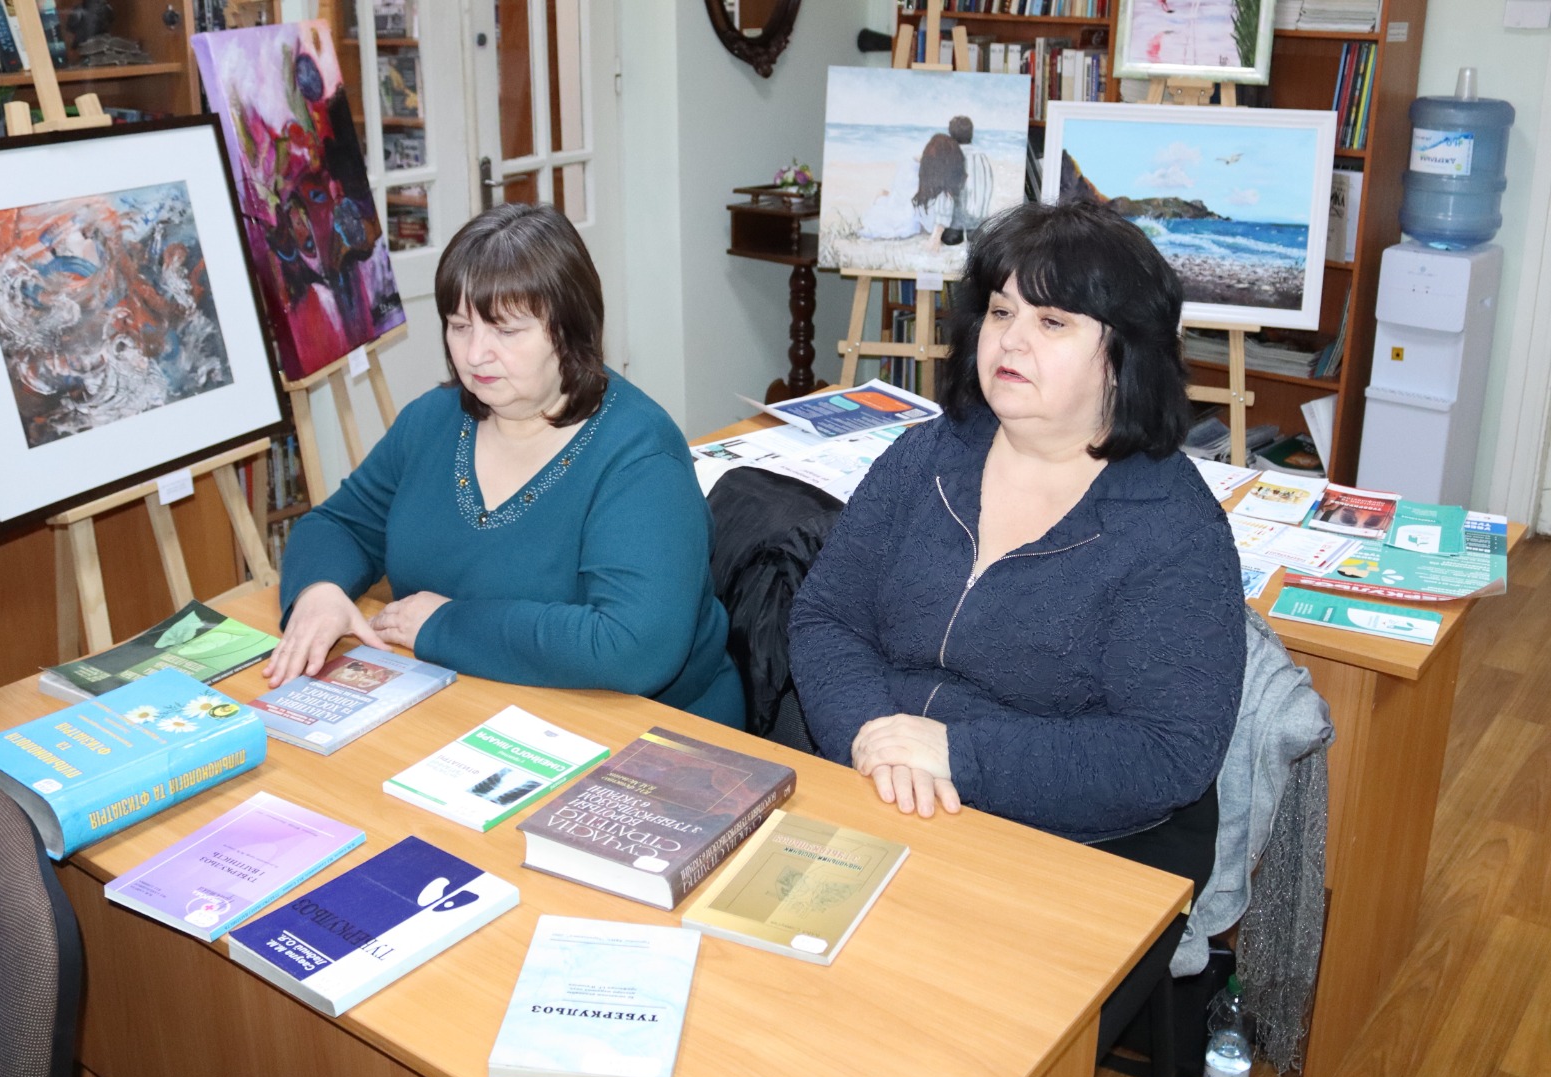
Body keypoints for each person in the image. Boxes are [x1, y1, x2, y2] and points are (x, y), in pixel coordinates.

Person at [788, 198, 1245, 893]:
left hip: (1066, 847)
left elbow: (1164, 752)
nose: (1011, 341)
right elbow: (827, 617)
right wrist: (874, 734)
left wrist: (955, 752)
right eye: (1002, 313)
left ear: (1122, 355)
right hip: (874, 784)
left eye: (1052, 322)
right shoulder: (926, 456)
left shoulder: (1174, 528)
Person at [265, 204, 744, 727]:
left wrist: (445, 625)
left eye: (506, 331)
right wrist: (317, 592)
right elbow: (338, 524)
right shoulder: (432, 421)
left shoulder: (640, 454)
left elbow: (634, 646)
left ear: (570, 329)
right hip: (468, 713)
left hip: (648, 734)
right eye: (459, 326)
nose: (475, 355)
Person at [945, 114, 994, 246]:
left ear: (951, 136)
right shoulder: (981, 156)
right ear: (971, 134)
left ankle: (958, 231)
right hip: (978, 219)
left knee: (950, 237)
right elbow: (988, 184)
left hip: (958, 220)